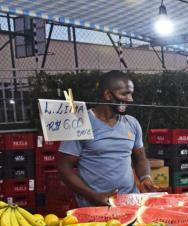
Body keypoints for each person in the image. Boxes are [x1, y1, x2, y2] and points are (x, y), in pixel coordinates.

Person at [58, 71, 157, 206]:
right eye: (125, 93)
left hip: (130, 202)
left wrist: (145, 177)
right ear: (108, 95)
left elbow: (140, 158)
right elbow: (64, 168)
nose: (130, 99)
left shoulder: (132, 123)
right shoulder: (81, 122)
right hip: (93, 205)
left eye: (131, 94)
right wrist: (92, 195)